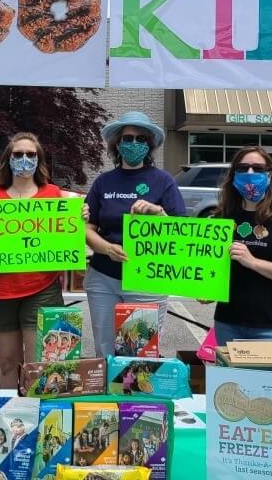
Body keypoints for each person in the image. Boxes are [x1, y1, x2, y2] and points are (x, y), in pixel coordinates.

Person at [0, 132, 67, 388]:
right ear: (8, 158)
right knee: (8, 363)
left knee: (38, 365)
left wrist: (79, 219)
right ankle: (10, 410)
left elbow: (63, 236)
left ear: (39, 159)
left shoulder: (52, 193)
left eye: (31, 154)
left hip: (41, 287)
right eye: (18, 154)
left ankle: (34, 410)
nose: (24, 159)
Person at [84, 111, 186, 359]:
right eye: (128, 138)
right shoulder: (103, 182)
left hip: (146, 278)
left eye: (141, 139)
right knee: (105, 349)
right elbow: (87, 228)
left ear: (149, 145)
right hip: (103, 277)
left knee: (137, 354)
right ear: (117, 144)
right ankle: (108, 385)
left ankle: (134, 387)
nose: (134, 143)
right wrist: (106, 248)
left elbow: (181, 231)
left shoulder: (163, 181)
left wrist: (158, 212)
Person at [212, 146, 272, 344]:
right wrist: (207, 291)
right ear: (233, 176)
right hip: (228, 323)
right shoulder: (222, 219)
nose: (250, 173)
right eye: (243, 168)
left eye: (257, 168)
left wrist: (253, 262)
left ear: (269, 175)